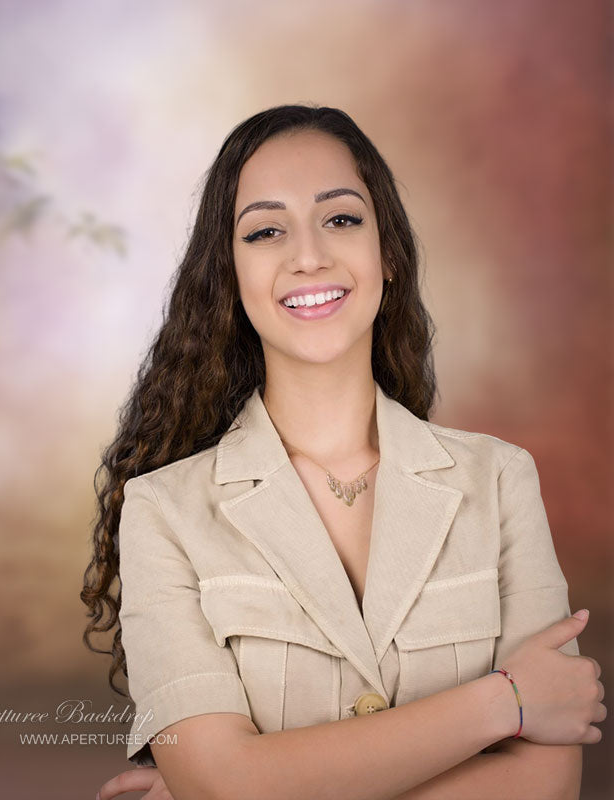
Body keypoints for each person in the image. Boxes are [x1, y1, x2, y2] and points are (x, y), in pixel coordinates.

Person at [81, 104, 605, 800]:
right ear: (229, 277)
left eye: (341, 218)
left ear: (385, 252)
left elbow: (547, 784)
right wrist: (504, 702)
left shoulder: (501, 480)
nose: (308, 256)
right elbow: (222, 785)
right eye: (266, 231)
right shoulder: (162, 512)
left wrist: (252, 785)